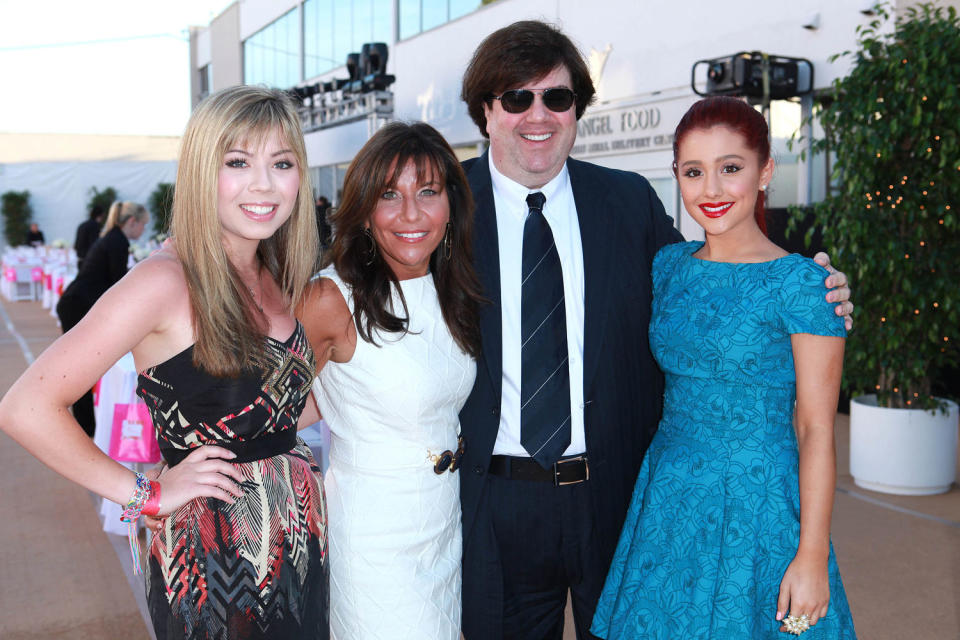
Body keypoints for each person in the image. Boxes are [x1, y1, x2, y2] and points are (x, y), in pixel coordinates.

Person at [455, 21, 854, 639]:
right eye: (516, 97)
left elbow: (724, 283)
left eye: (556, 97)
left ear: (576, 111)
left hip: (617, 497)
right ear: (487, 112)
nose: (538, 114)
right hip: (499, 503)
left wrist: (819, 284)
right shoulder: (443, 211)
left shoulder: (627, 202)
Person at [0, 85, 329, 639]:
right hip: (217, 559)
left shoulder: (272, 273)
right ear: (201, 172)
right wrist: (146, 494)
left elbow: (272, 414)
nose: (263, 184)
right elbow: (25, 406)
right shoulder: (163, 281)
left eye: (282, 163)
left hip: (299, 538)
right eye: (237, 162)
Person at [591, 96, 857, 639]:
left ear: (765, 172)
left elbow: (815, 430)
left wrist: (810, 555)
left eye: (730, 168)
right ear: (677, 178)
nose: (710, 190)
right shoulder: (668, 267)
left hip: (758, 502)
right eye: (694, 172)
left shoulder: (804, 285)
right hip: (669, 496)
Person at [297, 121, 484, 639]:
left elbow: (323, 400)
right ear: (363, 208)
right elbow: (266, 414)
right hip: (373, 537)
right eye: (389, 195)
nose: (411, 214)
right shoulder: (331, 299)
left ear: (452, 204)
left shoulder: (453, 289)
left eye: (428, 192)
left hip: (443, 526)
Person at [55, 200, 150, 437]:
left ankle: (87, 424)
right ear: (132, 222)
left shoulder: (114, 238)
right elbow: (119, 287)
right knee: (82, 368)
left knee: (83, 368)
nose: (144, 231)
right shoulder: (116, 241)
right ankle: (86, 427)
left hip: (78, 302)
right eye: (143, 225)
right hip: (77, 305)